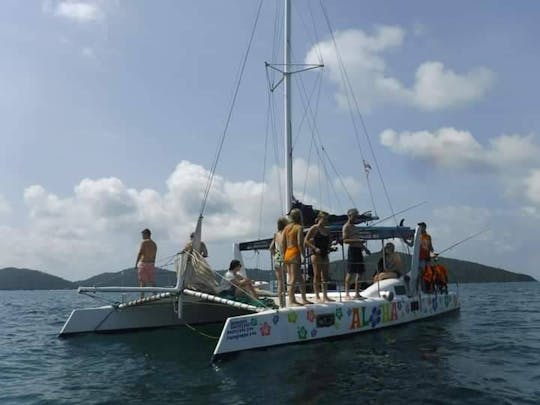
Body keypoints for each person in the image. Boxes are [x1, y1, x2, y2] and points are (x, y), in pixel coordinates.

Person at [282, 208, 312, 306]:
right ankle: (291, 300)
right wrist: (303, 255)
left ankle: (303, 298)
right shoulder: (299, 227)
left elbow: (283, 243)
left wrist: (283, 255)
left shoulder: (286, 228)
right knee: (293, 278)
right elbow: (300, 243)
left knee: (299, 278)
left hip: (287, 253)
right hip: (295, 253)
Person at [305, 211, 335, 303]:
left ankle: (325, 295)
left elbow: (330, 240)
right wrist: (314, 248)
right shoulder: (314, 228)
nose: (326, 221)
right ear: (320, 218)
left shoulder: (327, 230)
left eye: (327, 219)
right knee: (317, 275)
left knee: (325, 276)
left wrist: (330, 248)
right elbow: (306, 241)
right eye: (324, 219)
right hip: (316, 253)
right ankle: (317, 295)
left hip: (325, 253)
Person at [342, 208, 370, 299]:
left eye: (356, 216)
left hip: (359, 250)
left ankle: (357, 293)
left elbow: (359, 241)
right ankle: (347, 293)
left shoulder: (355, 227)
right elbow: (345, 240)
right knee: (350, 272)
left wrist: (365, 249)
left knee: (360, 272)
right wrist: (357, 240)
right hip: (352, 250)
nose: (355, 218)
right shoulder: (346, 227)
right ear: (349, 216)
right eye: (354, 216)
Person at [269, 216, 289, 307]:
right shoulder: (286, 233)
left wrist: (275, 255)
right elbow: (284, 245)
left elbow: (270, 248)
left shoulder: (276, 234)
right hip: (285, 257)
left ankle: (281, 303)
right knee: (292, 277)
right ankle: (292, 298)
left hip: (277, 258)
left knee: (280, 282)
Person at [135, 228, 157, 298]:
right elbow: (154, 256)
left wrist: (136, 264)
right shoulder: (154, 244)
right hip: (151, 264)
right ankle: (155, 295)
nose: (142, 236)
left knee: (142, 281)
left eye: (143, 235)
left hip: (144, 263)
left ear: (146, 234)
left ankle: (142, 297)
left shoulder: (144, 242)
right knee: (152, 281)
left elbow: (140, 253)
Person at [418, 222, 435, 291]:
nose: (419, 228)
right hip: (420, 258)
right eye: (419, 227)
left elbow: (431, 247)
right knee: (422, 274)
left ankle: (429, 288)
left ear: (424, 227)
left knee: (428, 274)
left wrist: (433, 252)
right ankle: (423, 289)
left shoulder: (428, 237)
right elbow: (411, 244)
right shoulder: (417, 236)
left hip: (427, 258)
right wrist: (405, 241)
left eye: (421, 227)